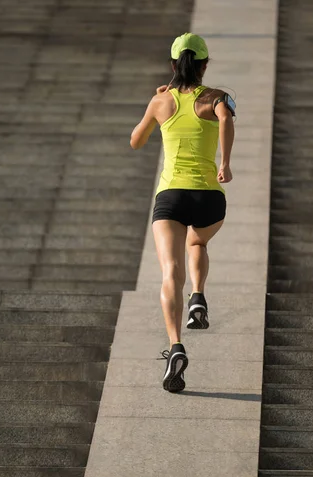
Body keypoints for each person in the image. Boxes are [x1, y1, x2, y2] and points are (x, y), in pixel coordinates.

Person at [130, 33, 235, 393]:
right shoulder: (216, 98)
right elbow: (225, 118)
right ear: (205, 65)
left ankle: (176, 346)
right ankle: (199, 298)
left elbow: (136, 140)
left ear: (174, 65)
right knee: (197, 242)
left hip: (171, 196)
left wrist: (158, 103)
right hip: (209, 198)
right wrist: (225, 163)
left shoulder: (162, 101)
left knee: (170, 273)